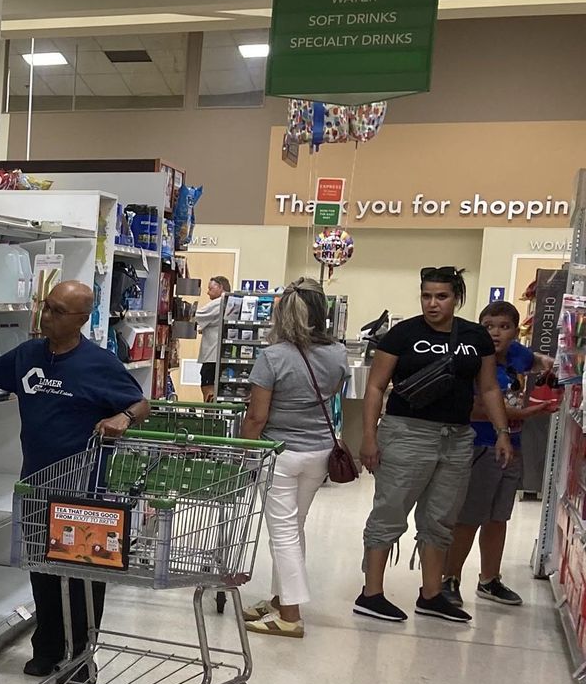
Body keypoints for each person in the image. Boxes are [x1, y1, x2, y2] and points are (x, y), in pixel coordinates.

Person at [0, 279, 150, 678]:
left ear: (81, 319)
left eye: (59, 311)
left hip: (85, 492)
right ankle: (45, 650)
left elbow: (140, 402)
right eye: (47, 306)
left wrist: (123, 418)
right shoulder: (28, 355)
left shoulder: (100, 364)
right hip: (37, 486)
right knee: (41, 570)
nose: (48, 315)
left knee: (81, 575)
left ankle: (81, 656)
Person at [355, 266, 513, 624]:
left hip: (457, 438)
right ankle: (371, 594)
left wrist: (503, 432)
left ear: (457, 297)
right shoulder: (402, 334)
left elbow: (488, 388)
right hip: (406, 433)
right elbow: (376, 386)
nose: (432, 303)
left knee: (441, 518)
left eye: (441, 296)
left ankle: (431, 594)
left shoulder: (475, 336)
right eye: (426, 295)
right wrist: (368, 436)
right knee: (389, 512)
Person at [238, 279, 348, 638]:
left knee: (282, 533)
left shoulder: (272, 357)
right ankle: (278, 598)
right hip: (319, 452)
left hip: (279, 454)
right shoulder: (338, 353)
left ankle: (290, 615)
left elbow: (256, 417)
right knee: (293, 527)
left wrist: (243, 453)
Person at [442, 300, 556, 607]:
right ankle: (449, 578)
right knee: (469, 517)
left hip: (512, 447)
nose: (495, 334)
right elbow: (478, 407)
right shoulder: (474, 359)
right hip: (481, 445)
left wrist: (548, 364)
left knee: (498, 517)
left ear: (515, 331)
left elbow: (534, 360)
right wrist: (525, 413)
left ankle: (489, 579)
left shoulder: (517, 354)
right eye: (488, 326)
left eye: (504, 327)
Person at [195, 276, 230, 402]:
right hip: (218, 355)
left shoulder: (219, 302)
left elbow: (196, 315)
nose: (208, 292)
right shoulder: (228, 302)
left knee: (208, 388)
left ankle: (209, 417)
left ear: (221, 287)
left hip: (212, 356)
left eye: (210, 288)